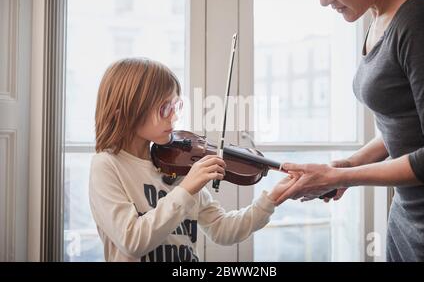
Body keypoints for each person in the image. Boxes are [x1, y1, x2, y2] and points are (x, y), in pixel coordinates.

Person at [276, 0, 424, 261]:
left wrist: (342, 175)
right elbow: (409, 123)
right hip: (406, 214)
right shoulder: (379, 14)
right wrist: (350, 163)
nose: (322, 0)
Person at [89, 58, 297, 262]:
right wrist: (186, 190)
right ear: (125, 113)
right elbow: (133, 241)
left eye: (175, 106)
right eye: (164, 109)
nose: (174, 117)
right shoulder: (107, 165)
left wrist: (272, 199)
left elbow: (222, 229)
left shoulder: (174, 163)